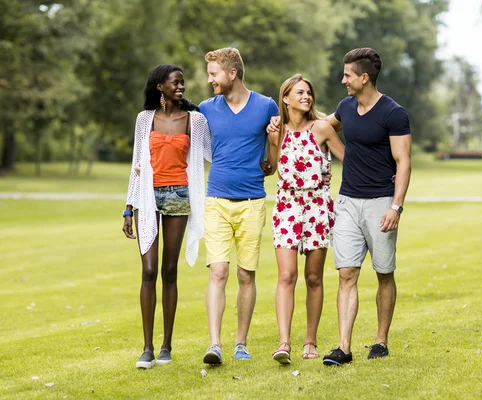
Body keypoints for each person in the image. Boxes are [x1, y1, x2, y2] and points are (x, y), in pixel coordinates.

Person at [268, 47, 412, 365]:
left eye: (347, 74)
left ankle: (380, 340)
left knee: (384, 272)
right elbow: (319, 124)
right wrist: (281, 123)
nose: (342, 79)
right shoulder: (345, 107)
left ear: (363, 77)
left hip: (380, 201)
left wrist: (396, 206)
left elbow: (404, 162)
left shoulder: (393, 113)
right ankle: (344, 348)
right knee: (346, 272)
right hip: (346, 200)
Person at [123, 64, 212, 369]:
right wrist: (129, 207)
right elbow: (137, 162)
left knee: (169, 271)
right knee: (148, 271)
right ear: (159, 86)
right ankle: (146, 348)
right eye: (175, 82)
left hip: (179, 196)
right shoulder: (144, 120)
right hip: (148, 197)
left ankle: (166, 346)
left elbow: (214, 153)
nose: (181, 87)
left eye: (182, 83)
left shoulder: (195, 120)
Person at [199, 47, 279, 364]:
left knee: (246, 276)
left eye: (214, 74)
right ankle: (215, 344)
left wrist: (270, 151)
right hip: (216, 199)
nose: (210, 80)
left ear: (232, 73)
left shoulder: (265, 106)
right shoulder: (205, 109)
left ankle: (240, 343)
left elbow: (272, 164)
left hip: (252, 202)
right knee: (218, 272)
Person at [268, 74, 344, 364]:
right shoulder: (277, 131)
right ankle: (284, 342)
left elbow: (347, 158)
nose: (306, 97)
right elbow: (271, 167)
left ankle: (310, 341)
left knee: (314, 277)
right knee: (286, 275)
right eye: (299, 93)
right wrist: (268, 136)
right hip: (287, 205)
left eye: (309, 93)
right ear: (285, 98)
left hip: (317, 206)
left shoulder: (322, 128)